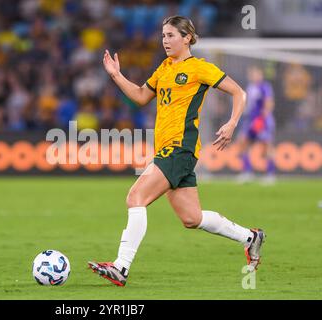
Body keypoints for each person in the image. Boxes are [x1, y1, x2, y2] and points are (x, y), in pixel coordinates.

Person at [88, 16, 266, 286]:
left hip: (180, 149)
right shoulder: (164, 68)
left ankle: (121, 266)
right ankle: (250, 238)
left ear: (187, 38)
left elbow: (239, 92)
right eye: (163, 35)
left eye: (171, 35)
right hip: (167, 150)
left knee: (136, 197)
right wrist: (116, 75)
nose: (165, 41)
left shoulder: (198, 68)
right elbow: (139, 96)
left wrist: (232, 123)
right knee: (191, 218)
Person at [236, 65, 276, 184]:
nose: (253, 76)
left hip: (261, 120)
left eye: (256, 73)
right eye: (252, 74)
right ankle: (247, 172)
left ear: (261, 75)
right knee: (242, 142)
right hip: (250, 120)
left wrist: (263, 118)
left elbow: (269, 103)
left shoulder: (265, 87)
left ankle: (270, 174)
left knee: (267, 145)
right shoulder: (250, 87)